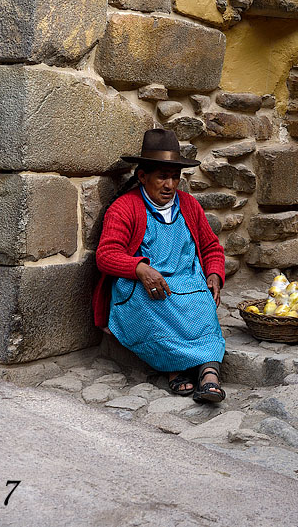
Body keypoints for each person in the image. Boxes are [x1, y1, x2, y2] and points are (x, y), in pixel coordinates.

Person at [92, 128, 228, 403]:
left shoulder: (189, 205)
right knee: (155, 305)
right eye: (162, 177)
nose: (170, 185)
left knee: (202, 302)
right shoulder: (125, 207)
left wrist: (214, 273)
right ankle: (173, 368)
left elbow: (211, 247)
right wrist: (140, 269)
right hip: (146, 286)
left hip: (186, 284)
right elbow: (106, 254)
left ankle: (209, 372)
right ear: (142, 177)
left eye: (175, 177)